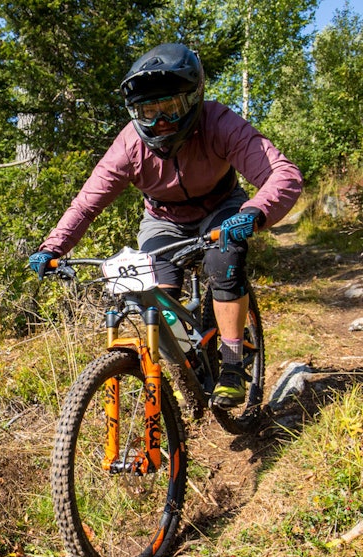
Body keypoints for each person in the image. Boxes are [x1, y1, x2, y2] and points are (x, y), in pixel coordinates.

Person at [27, 43, 302, 408]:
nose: (160, 122)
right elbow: (87, 202)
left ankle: (233, 365)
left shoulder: (219, 123)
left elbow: (282, 174)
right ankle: (187, 369)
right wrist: (53, 247)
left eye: (170, 108)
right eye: (148, 111)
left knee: (224, 262)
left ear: (192, 100)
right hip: (164, 220)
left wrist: (254, 212)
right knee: (152, 294)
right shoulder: (129, 146)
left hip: (222, 208)